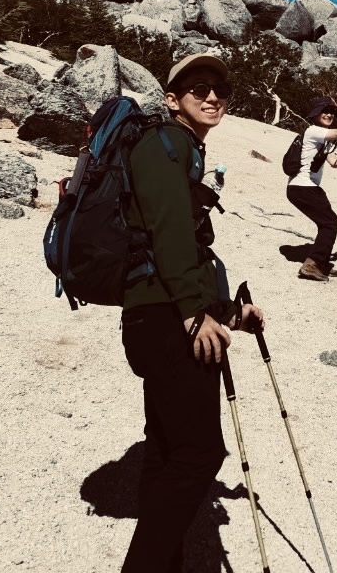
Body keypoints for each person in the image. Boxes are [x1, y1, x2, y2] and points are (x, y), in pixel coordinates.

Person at [119, 52, 265, 572]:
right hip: (166, 320)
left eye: (219, 89)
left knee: (166, 447)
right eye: (197, 88)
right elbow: (170, 232)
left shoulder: (181, 148)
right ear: (172, 99)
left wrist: (227, 312)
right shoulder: (166, 144)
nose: (212, 96)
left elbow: (178, 248)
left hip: (159, 314)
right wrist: (193, 313)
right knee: (200, 454)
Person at [285, 94, 337, 281]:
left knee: (328, 222)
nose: (329, 114)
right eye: (324, 111)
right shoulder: (313, 131)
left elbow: (335, 162)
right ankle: (312, 264)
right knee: (329, 223)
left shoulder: (323, 139)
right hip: (303, 187)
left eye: (331, 112)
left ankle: (320, 261)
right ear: (315, 114)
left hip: (302, 188)